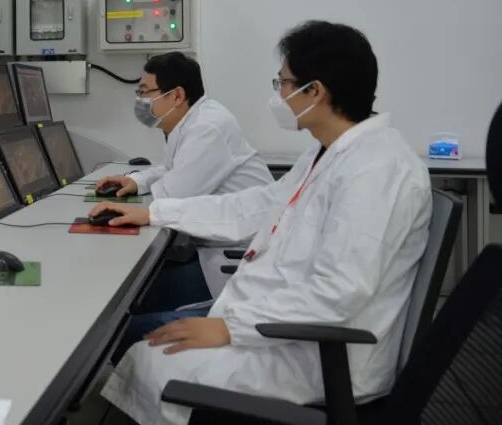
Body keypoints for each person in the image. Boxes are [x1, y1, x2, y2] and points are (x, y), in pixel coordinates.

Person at [94, 21, 432, 425]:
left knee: (148, 353)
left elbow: (340, 292)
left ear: (316, 91)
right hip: (279, 321)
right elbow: (255, 206)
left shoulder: (377, 168)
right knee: (140, 344)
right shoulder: (329, 153)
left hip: (322, 357)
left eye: (283, 83)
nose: (279, 95)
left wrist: (230, 328)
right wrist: (154, 213)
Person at [97, 52, 273, 307]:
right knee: (131, 289)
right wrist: (137, 181)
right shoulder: (191, 122)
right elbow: (171, 169)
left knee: (126, 301)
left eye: (144, 92)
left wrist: (138, 200)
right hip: (217, 246)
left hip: (234, 260)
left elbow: (172, 195)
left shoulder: (208, 127)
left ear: (177, 96)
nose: (140, 101)